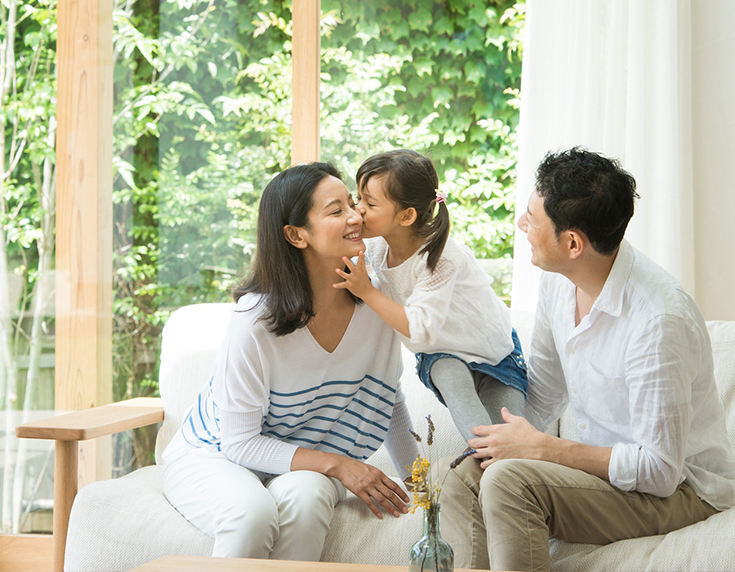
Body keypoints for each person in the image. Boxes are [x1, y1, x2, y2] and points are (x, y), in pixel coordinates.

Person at [439, 146, 735, 571]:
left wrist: (543, 449)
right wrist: (500, 442)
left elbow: (659, 470)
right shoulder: (559, 284)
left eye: (532, 218)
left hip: (684, 491)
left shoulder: (658, 319)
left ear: (573, 242)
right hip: (611, 477)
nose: (522, 224)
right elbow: (541, 397)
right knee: (469, 475)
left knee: (509, 481)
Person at [161, 162, 418, 561]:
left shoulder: (377, 301)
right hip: (213, 454)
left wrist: (420, 484)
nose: (357, 216)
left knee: (309, 494)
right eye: (336, 211)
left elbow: (387, 396)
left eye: (353, 203)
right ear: (296, 235)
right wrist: (339, 464)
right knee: (251, 514)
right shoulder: (256, 319)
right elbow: (240, 442)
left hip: (305, 460)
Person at [334, 149, 528, 445]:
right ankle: (482, 453)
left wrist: (367, 291)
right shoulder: (375, 249)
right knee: (453, 380)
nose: (357, 210)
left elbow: (420, 328)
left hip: (496, 356)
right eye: (357, 199)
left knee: (511, 441)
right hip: (443, 354)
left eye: (369, 203)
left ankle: (495, 461)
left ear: (406, 215)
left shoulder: (442, 258)